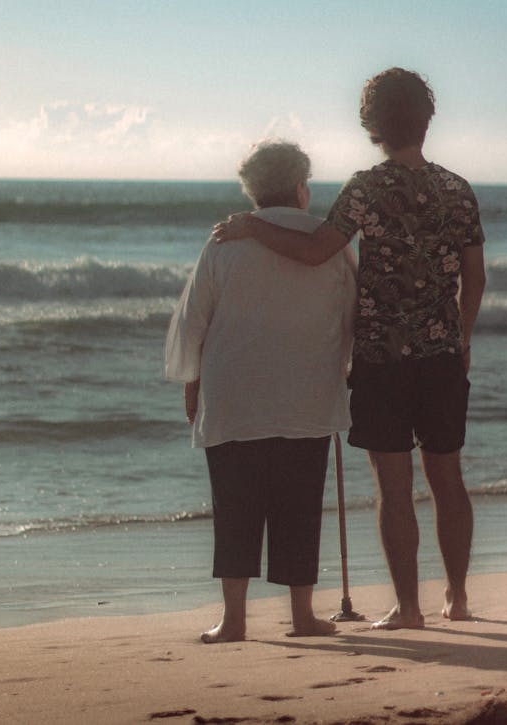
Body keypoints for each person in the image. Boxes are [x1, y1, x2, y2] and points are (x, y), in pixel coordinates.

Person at [214, 68, 486, 630]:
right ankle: (457, 598)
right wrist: (462, 336)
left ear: (374, 126)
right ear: (425, 120)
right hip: (440, 355)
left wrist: (252, 227)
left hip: (382, 358)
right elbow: (475, 278)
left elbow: (318, 250)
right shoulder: (457, 189)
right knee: (447, 478)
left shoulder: (366, 186)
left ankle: (408, 608)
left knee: (395, 487)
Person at [165, 140, 356, 642]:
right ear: (300, 188)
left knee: (235, 504)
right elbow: (352, 314)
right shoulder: (329, 240)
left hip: (234, 393)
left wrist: (192, 382)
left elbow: (194, 319)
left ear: (252, 191)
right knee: (299, 506)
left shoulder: (225, 240)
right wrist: (348, 371)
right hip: (307, 391)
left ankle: (233, 620)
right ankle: (300, 617)